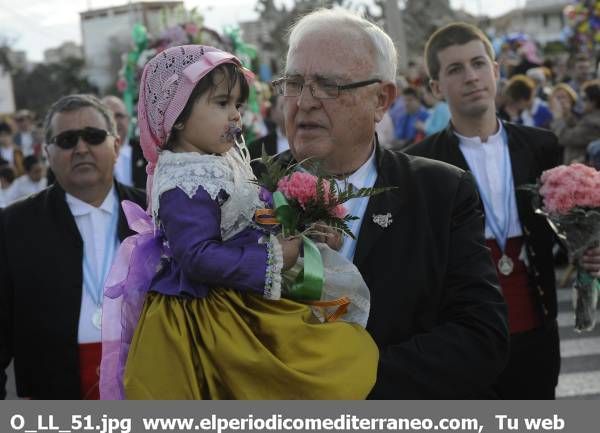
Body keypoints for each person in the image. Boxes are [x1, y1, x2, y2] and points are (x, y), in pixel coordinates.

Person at [101, 44, 378, 400]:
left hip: (236, 297)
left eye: (237, 105)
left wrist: (299, 229)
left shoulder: (219, 159)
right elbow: (196, 255)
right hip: (207, 316)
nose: (235, 116)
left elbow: (248, 215)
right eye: (221, 103)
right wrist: (274, 255)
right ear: (178, 115)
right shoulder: (184, 176)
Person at [267, 8, 509, 398]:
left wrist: (350, 378)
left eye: (329, 85)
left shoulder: (441, 193)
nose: (305, 102)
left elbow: (480, 337)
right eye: (294, 83)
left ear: (381, 99)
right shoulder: (247, 190)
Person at [406, 22, 600, 399]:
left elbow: (559, 231)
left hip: (536, 331)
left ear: (496, 71)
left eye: (479, 64)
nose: (471, 77)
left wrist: (587, 247)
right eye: (455, 69)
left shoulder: (543, 146)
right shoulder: (419, 163)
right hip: (462, 339)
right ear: (435, 88)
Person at [0, 94, 145, 399]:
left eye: (93, 136)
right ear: (47, 154)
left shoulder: (153, 212)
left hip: (147, 385)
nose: (81, 148)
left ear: (116, 146)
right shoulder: (12, 226)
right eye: (66, 140)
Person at [101, 96, 147, 189]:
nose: (114, 122)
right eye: (108, 116)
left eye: (119, 116)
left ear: (128, 119)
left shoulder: (146, 153)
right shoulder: (91, 155)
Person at [551, 80, 600, 164]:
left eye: (584, 98)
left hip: (581, 172)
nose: (581, 102)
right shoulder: (590, 117)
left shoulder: (594, 123)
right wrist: (567, 114)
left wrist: (558, 118)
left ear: (593, 101)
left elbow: (565, 137)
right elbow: (576, 127)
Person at [247, 93, 289, 159]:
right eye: (284, 107)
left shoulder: (308, 144)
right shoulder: (256, 148)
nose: (290, 111)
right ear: (273, 112)